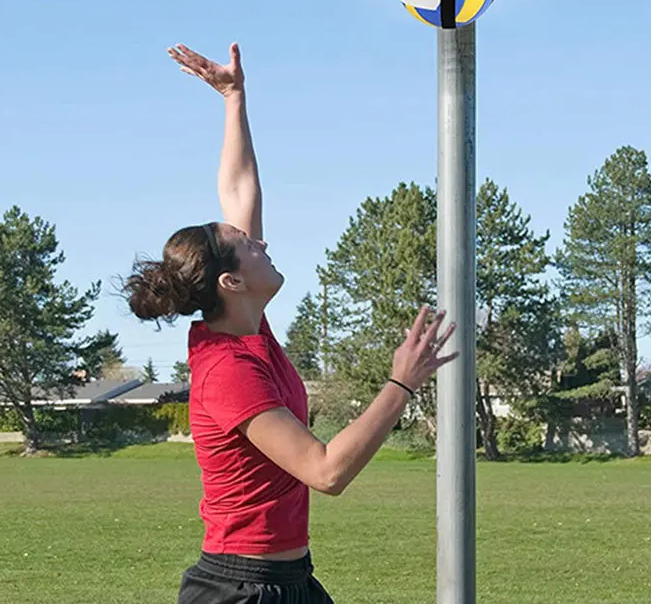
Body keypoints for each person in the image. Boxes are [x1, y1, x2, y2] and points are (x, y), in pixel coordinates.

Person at [124, 42, 457, 604]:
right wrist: (401, 384)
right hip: (241, 590)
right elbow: (325, 471)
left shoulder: (248, 329)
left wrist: (234, 97)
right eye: (247, 246)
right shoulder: (226, 371)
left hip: (289, 581)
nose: (261, 241)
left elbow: (239, 192)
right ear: (231, 281)